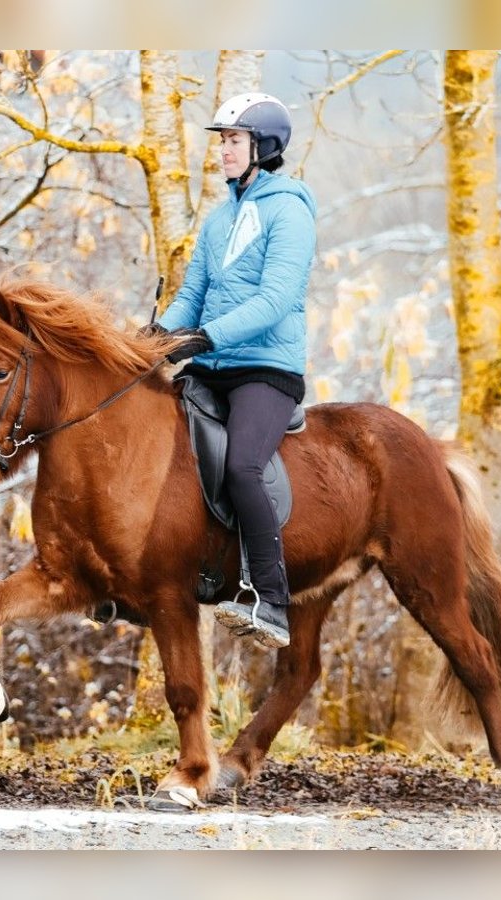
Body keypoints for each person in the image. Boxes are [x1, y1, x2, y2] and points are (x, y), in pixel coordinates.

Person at [156, 92, 316, 650]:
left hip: (266, 369)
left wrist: (206, 337)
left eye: (233, 141)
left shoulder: (290, 211)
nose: (223, 151)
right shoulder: (221, 217)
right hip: (210, 363)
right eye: (222, 141)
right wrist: (158, 335)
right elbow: (193, 293)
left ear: (263, 147)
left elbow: (275, 300)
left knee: (244, 466)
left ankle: (269, 599)